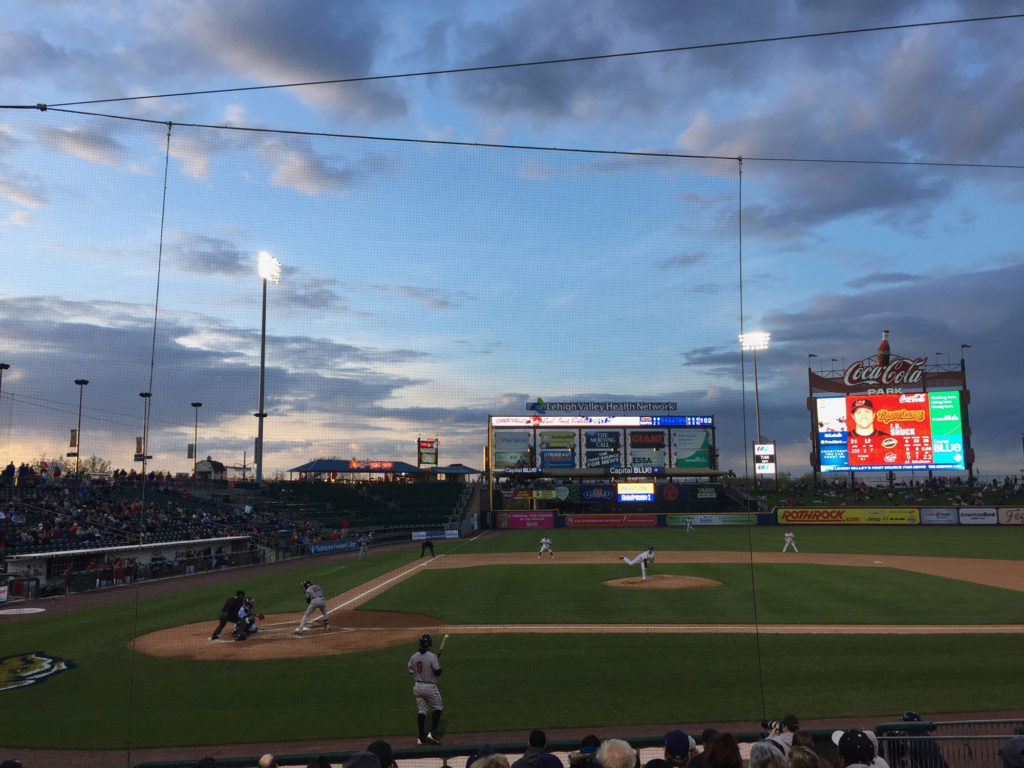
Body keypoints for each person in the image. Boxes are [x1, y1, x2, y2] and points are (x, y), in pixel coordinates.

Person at [408, 632, 443, 745]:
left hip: (417, 687)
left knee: (422, 711)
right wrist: (433, 664)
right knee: (438, 707)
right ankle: (432, 733)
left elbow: (410, 671)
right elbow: (438, 673)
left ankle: (421, 736)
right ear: (430, 643)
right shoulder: (432, 657)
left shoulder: (413, 656)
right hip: (429, 687)